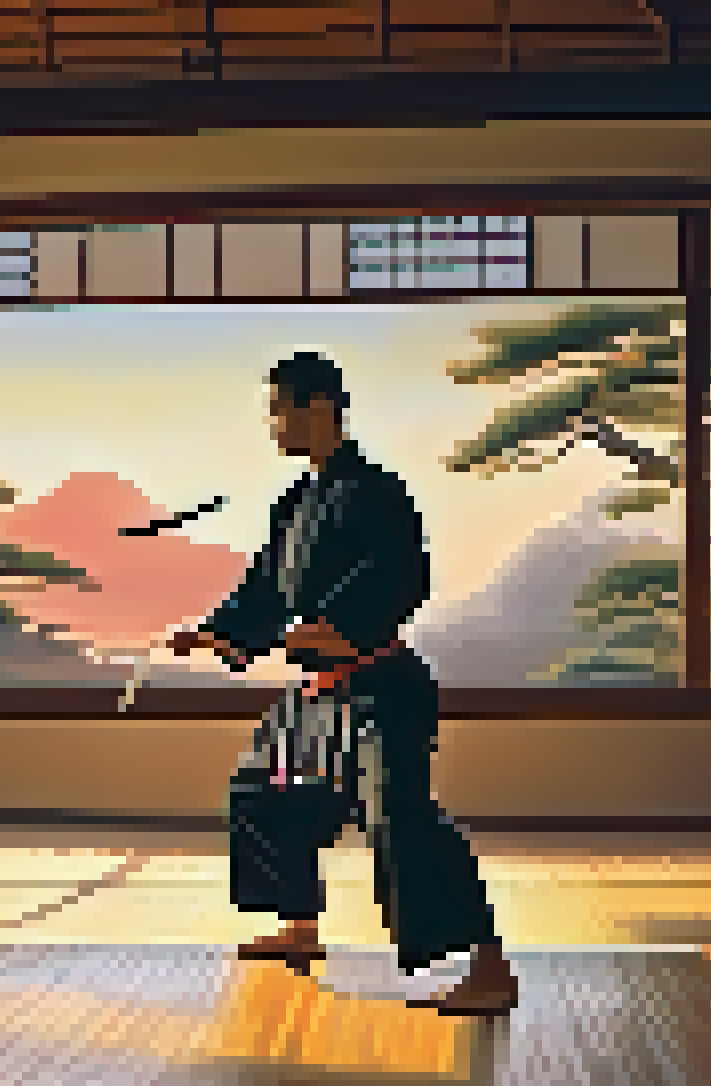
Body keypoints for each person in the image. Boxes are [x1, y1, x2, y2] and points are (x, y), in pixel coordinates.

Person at [168, 352, 519, 1016]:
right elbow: (262, 592)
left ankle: (488, 963)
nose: (272, 423)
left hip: (380, 685)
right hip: (319, 692)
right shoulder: (295, 502)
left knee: (400, 819)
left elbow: (394, 581)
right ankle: (299, 925)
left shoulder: (377, 493)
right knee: (262, 790)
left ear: (319, 407)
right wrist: (217, 631)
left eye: (280, 408)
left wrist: (326, 630)